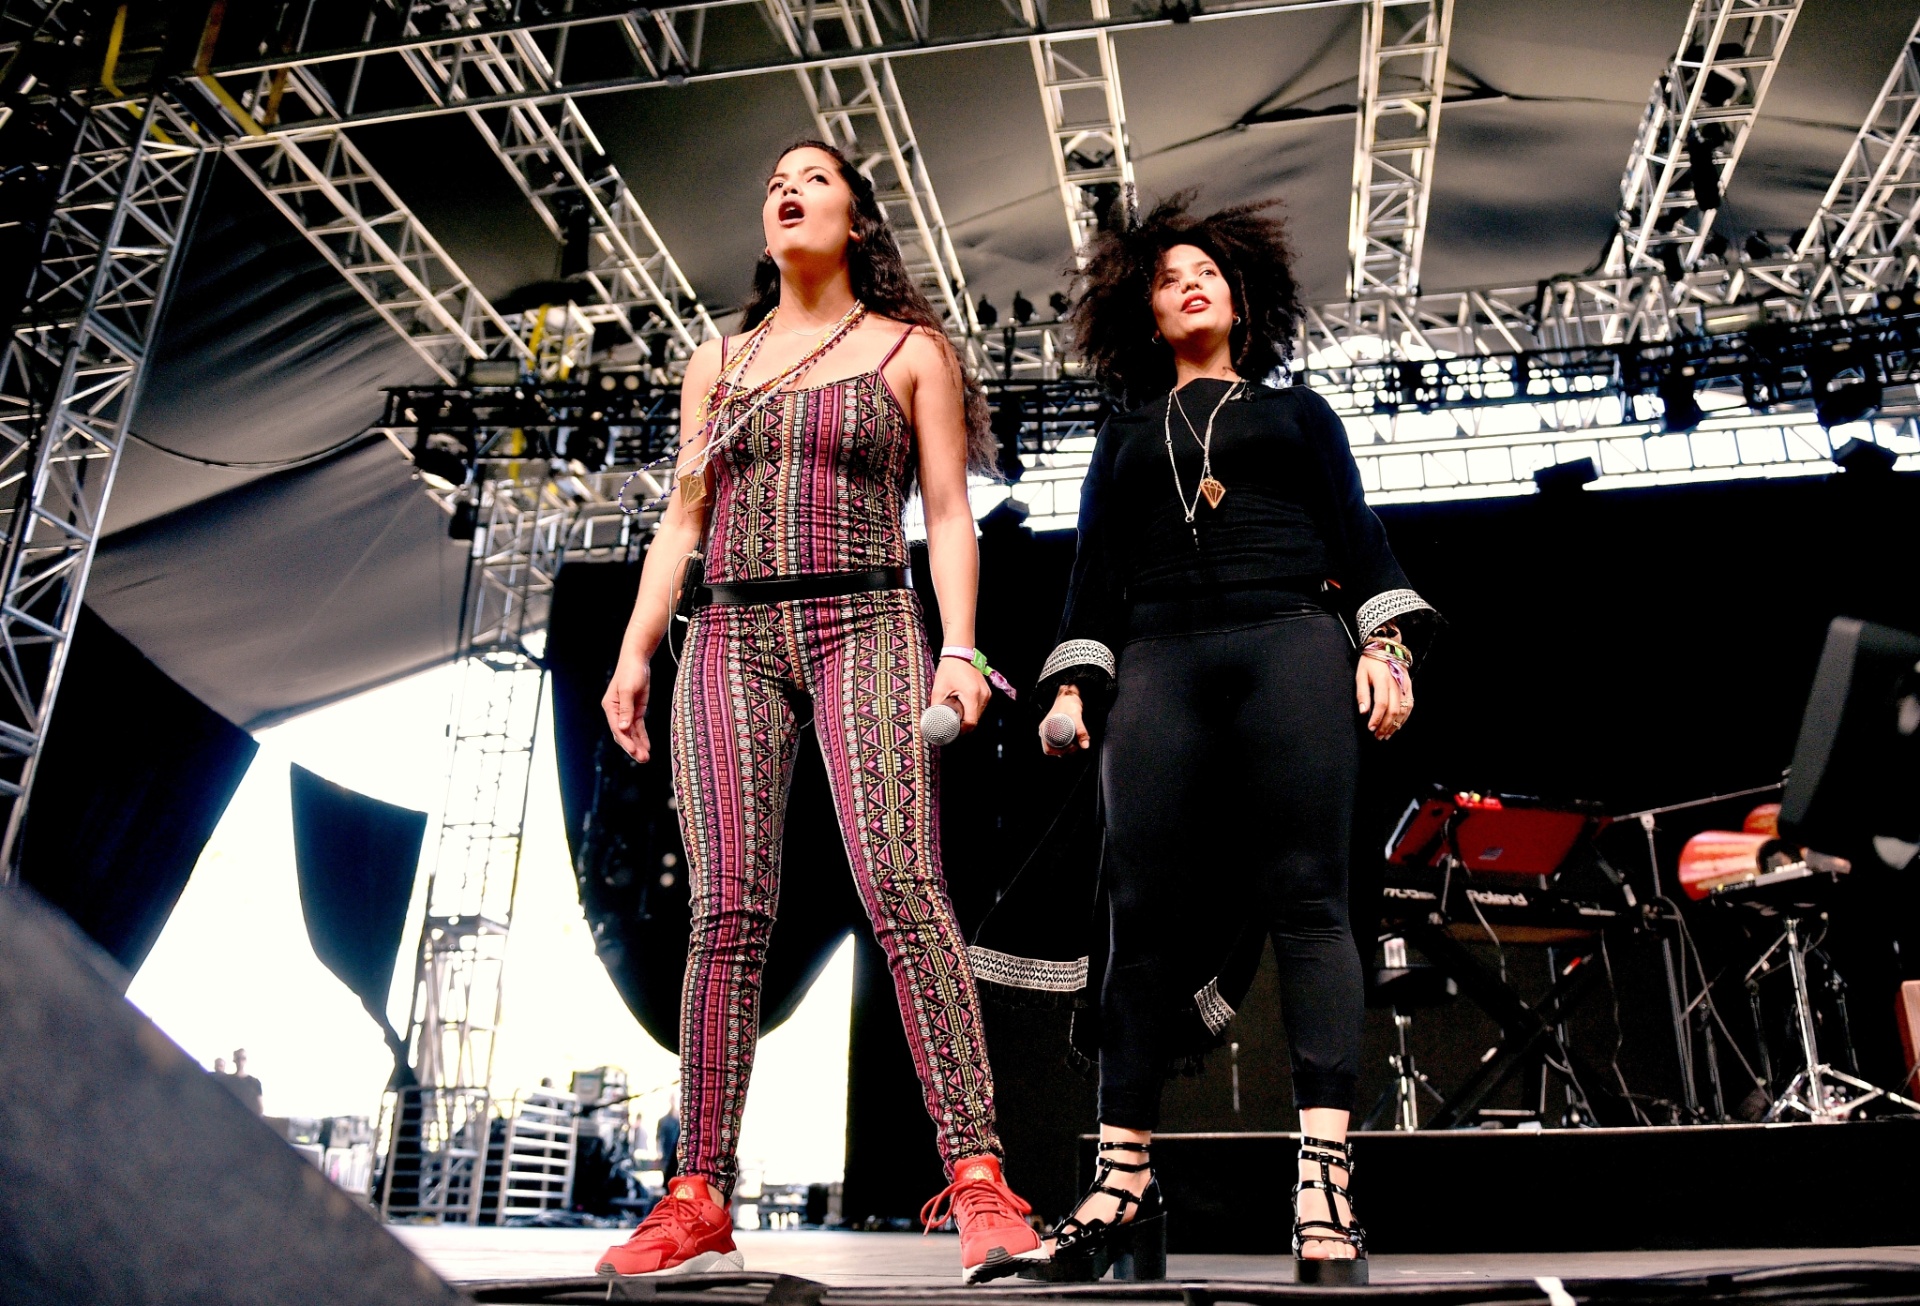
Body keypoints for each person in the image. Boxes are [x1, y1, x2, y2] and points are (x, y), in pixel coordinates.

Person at [596, 139, 1043, 1284]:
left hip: (866, 620)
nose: (789, 189)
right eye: (776, 183)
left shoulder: (909, 351)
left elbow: (947, 512)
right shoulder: (721, 363)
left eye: (817, 179)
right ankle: (697, 1190)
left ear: (857, 221)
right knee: (727, 913)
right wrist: (638, 650)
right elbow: (683, 523)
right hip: (729, 633)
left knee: (901, 885)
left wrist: (960, 647)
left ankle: (980, 1175)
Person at [978, 193, 1434, 1287]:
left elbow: (1362, 542)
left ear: (1240, 299)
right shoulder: (1126, 437)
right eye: (1169, 274)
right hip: (1159, 663)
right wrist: (1072, 687)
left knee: (1313, 904)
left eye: (1209, 273)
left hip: (1289, 645)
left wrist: (1390, 652)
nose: (1190, 283)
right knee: (1138, 918)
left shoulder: (1299, 415)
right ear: (1142, 308)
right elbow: (1092, 574)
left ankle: (1325, 1191)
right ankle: (1120, 1185)